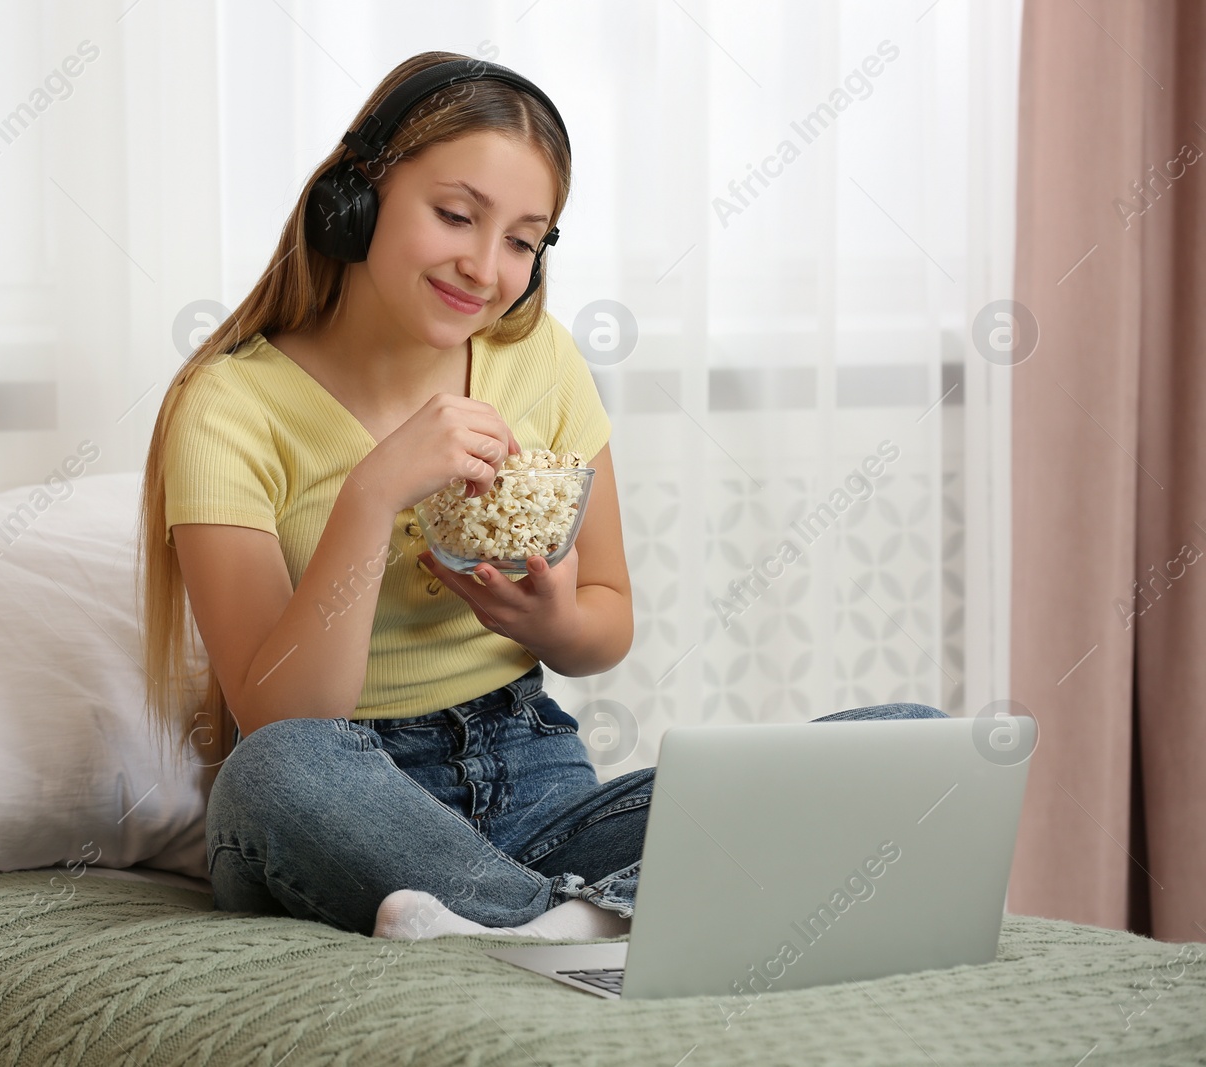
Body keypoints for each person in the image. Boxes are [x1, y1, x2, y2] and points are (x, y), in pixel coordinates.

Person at [137, 50, 945, 942]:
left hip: (534, 784)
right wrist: (373, 493)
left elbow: (607, 620)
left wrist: (547, 620)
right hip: (344, 796)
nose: (486, 268)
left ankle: (542, 924)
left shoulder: (541, 359)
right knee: (275, 768)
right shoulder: (226, 405)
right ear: (354, 197)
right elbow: (283, 717)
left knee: (904, 741)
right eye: (455, 215)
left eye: (523, 240)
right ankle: (596, 919)